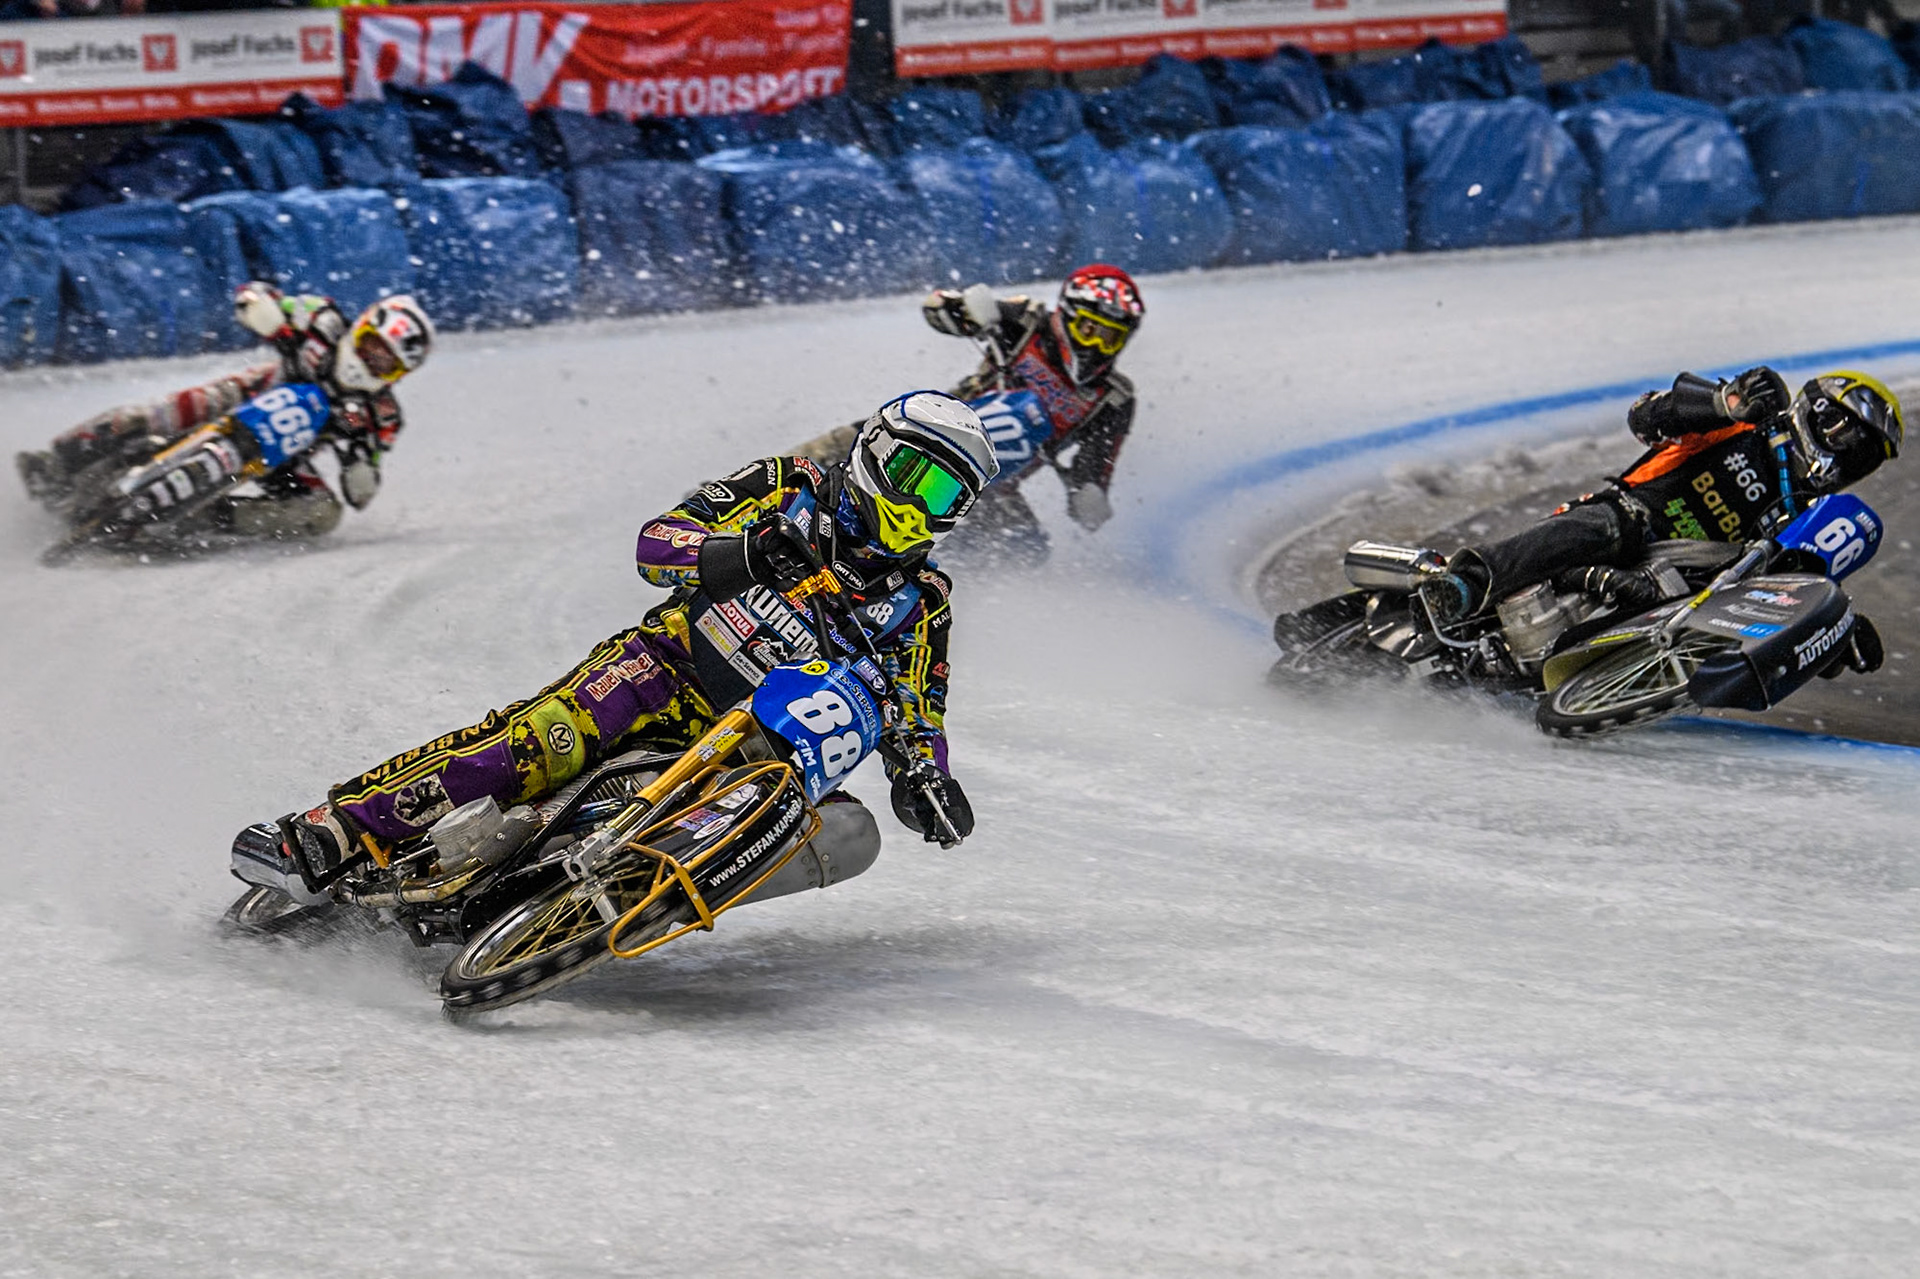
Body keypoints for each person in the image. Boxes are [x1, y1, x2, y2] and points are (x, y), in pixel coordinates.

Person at [231, 390, 997, 905]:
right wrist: (742, 553)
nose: (919, 505)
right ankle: (331, 832)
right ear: (874, 451)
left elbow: (916, 707)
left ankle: (620, 905)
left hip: (756, 746)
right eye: (915, 477)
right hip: (665, 666)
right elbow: (656, 542)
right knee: (536, 741)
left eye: (945, 497)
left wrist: (926, 780)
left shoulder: (923, 602)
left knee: (841, 832)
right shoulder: (787, 483)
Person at [1418, 366, 1904, 624]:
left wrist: (1836, 633)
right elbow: (1644, 418)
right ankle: (1465, 582)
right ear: (1820, 413)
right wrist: (1722, 403)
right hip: (1631, 520)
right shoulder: (1749, 425)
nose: (1851, 458)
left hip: (1685, 585)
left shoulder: (1814, 513)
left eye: (1865, 456)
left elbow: (1793, 590)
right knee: (1612, 524)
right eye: (1849, 438)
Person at [15, 282, 432, 540]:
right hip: (246, 394)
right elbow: (258, 295)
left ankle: (199, 522)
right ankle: (60, 461)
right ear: (360, 329)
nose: (370, 361)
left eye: (385, 360)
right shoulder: (321, 321)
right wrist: (264, 311)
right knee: (156, 413)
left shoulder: (382, 416)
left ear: (397, 373)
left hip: (286, 457)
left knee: (322, 515)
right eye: (371, 346)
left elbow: (364, 481)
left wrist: (360, 466)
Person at [795, 264, 1145, 562]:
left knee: (1028, 550)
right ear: (1066, 315)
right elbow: (936, 307)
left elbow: (1093, 472)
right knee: (835, 450)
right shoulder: (1026, 320)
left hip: (991, 486)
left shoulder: (1112, 400)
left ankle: (927, 580)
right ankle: (770, 496)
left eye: (1109, 338)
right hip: (927, 430)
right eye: (1088, 329)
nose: (1095, 346)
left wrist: (1089, 498)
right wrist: (963, 308)